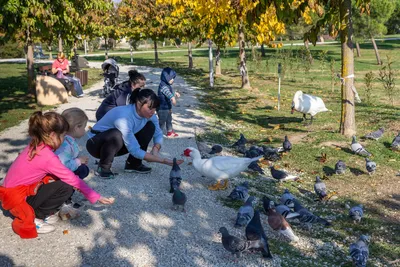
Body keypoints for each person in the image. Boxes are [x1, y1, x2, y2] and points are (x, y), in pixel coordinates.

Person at [0, 111, 114, 238]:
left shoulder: (36, 144)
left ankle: (41, 210)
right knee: (65, 185)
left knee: (56, 180)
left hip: (13, 193)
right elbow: (71, 178)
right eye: (63, 136)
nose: (64, 139)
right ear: (53, 135)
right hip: (17, 199)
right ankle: (36, 216)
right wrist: (94, 196)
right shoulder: (47, 156)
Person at [86, 88, 183, 178]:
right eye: (150, 108)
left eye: (155, 109)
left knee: (150, 127)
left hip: (115, 144)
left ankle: (133, 164)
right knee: (116, 135)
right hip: (95, 144)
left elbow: (158, 133)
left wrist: (155, 148)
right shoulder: (124, 117)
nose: (153, 112)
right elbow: (134, 149)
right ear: (139, 104)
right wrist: (163, 160)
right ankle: (103, 167)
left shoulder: (150, 115)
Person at [55, 108, 90, 212]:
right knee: (82, 169)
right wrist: (79, 161)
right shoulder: (65, 144)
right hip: (58, 176)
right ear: (76, 127)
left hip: (58, 174)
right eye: (83, 127)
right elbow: (62, 166)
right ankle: (64, 200)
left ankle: (65, 197)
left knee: (83, 169)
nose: (84, 130)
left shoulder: (64, 139)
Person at [157, 67, 180, 137]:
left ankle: (169, 131)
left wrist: (174, 95)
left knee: (169, 120)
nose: (173, 80)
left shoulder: (167, 85)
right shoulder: (163, 86)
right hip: (162, 108)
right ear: (166, 78)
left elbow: (168, 95)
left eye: (173, 78)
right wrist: (174, 99)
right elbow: (169, 95)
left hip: (167, 107)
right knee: (162, 121)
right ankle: (158, 133)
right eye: (171, 78)